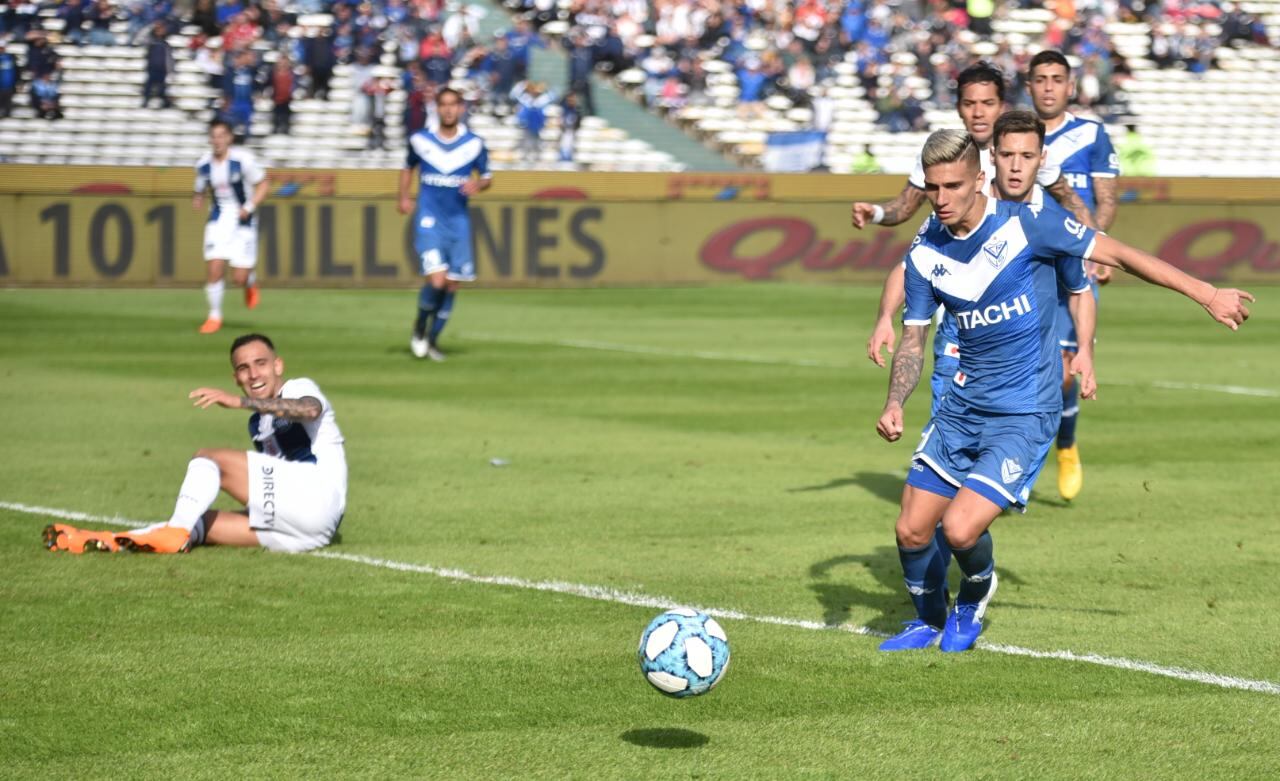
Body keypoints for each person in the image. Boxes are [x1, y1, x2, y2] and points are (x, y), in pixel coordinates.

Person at [874, 129, 1252, 653]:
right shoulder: (925, 252)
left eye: (952, 186)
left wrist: (1206, 292)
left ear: (978, 179)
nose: (940, 200)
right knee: (912, 532)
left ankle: (973, 598)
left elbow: (1118, 253)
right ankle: (928, 620)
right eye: (933, 188)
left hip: (1024, 410)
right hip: (961, 408)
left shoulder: (1029, 224)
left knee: (959, 531)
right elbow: (914, 339)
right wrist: (895, 401)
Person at [43, 333, 347, 555]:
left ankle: (174, 530)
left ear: (278, 366)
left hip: (318, 497)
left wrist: (237, 402)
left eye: (261, 363)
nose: (253, 374)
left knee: (209, 459)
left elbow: (309, 409)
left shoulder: (297, 387)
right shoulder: (257, 422)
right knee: (200, 524)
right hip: (309, 534)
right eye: (243, 368)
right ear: (235, 376)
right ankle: (104, 539)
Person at [1027, 49, 1120, 500]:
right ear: (1029, 86)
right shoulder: (1015, 135)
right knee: (1024, 369)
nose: (1048, 86)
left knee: (1066, 371)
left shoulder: (1092, 134)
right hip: (1025, 260)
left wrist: (1097, 250)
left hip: (1072, 261)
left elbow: (1106, 199)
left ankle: (1065, 445)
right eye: (1040, 78)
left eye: (1056, 78)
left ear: (1069, 86)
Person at [398, 87, 492, 361]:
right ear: (437, 108)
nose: (449, 109)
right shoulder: (420, 140)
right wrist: (403, 196)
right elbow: (407, 167)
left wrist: (479, 184)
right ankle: (419, 325)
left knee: (452, 284)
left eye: (454, 105)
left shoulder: (473, 143)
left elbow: (487, 176)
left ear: (462, 108)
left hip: (459, 222)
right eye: (444, 105)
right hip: (429, 220)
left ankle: (432, 339)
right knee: (437, 280)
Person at [193, 119, 268, 334]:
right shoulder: (203, 164)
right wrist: (197, 198)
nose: (217, 140)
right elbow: (199, 187)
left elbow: (264, 185)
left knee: (238, 278)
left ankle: (249, 281)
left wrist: (250, 206)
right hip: (217, 220)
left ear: (229, 138)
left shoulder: (243, 160)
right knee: (214, 267)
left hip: (243, 220)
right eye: (214, 136)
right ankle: (214, 316)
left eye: (221, 136)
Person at [141, 21, 174, 109]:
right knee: (148, 87)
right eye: (158, 30)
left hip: (162, 69)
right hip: (152, 68)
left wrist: (170, 70)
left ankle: (166, 103)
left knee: (162, 89)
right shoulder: (151, 43)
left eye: (161, 30)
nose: (160, 31)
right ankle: (145, 101)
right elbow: (143, 38)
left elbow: (169, 58)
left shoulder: (166, 44)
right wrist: (152, 27)